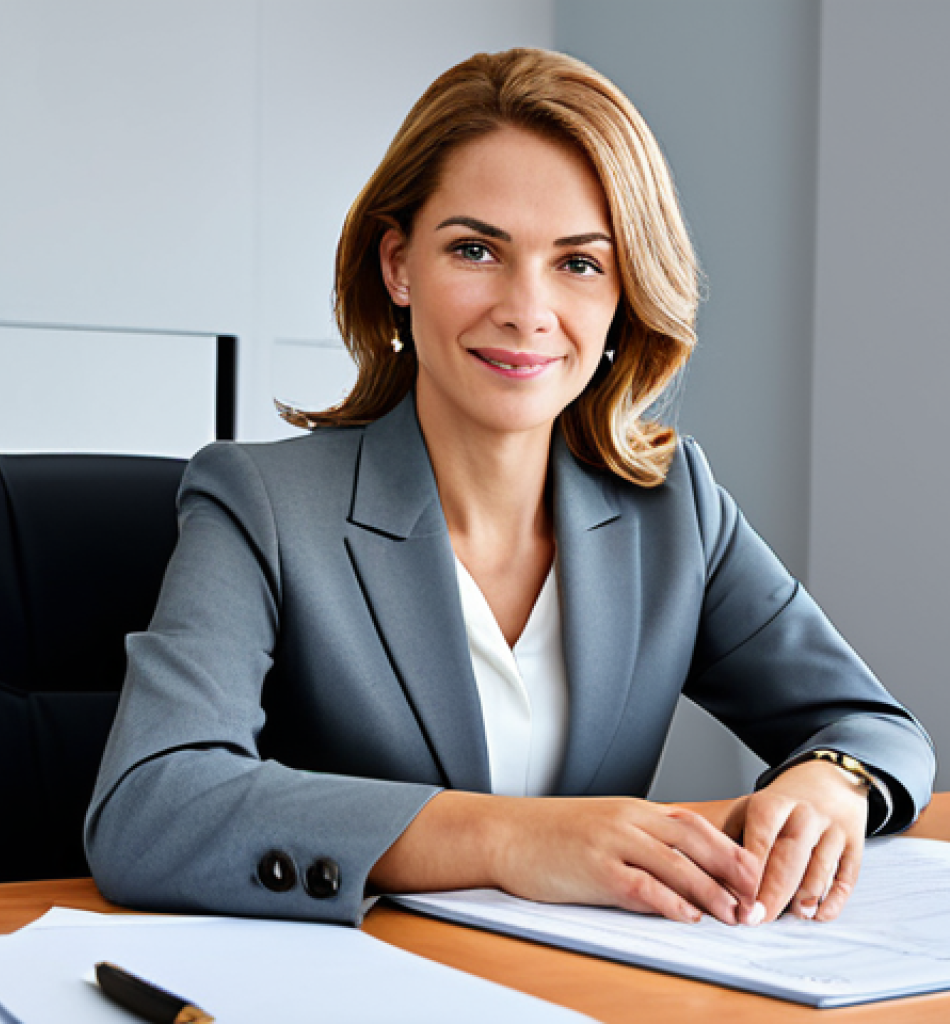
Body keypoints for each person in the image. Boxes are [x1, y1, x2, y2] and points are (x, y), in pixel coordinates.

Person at [85, 48, 934, 930]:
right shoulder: (260, 504)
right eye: (477, 249)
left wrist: (831, 783)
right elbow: (151, 806)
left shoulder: (674, 506)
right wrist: (508, 839)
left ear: (624, 295)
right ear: (399, 265)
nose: (526, 309)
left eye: (578, 263)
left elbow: (874, 726)